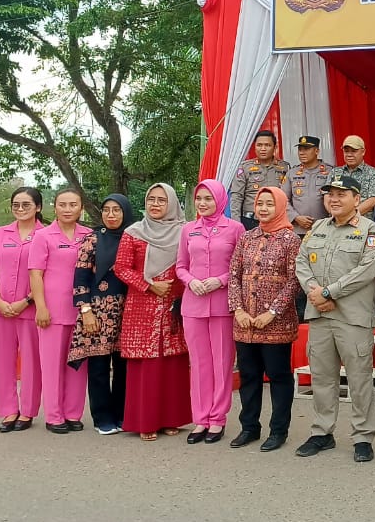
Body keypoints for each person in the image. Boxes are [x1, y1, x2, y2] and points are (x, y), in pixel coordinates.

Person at [294, 172, 375, 462]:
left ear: (357, 199)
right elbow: (301, 262)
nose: (333, 199)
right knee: (322, 377)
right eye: (330, 194)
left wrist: (329, 293)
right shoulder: (318, 227)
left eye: (341, 194)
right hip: (320, 314)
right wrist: (314, 293)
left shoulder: (371, 231)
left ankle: (362, 436)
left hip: (353, 317)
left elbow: (367, 270)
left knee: (359, 379)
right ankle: (322, 432)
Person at [113, 183, 193, 441]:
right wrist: (149, 285)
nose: (156, 204)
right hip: (142, 304)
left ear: (171, 203)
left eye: (161, 200)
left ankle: (171, 419)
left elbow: (189, 263)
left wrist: (176, 290)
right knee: (146, 364)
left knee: (172, 363)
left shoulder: (184, 231)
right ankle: (145, 421)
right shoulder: (133, 232)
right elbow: (121, 268)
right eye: (151, 199)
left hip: (174, 302)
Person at [229, 186, 302, 452]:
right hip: (245, 322)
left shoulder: (290, 240)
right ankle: (249, 427)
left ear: (280, 207)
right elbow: (234, 274)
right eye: (260, 203)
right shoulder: (246, 238)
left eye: (270, 204)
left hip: (276, 324)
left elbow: (295, 281)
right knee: (249, 375)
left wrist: (271, 312)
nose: (263, 209)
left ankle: (278, 430)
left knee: (278, 375)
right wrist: (238, 309)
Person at [177, 179, 246, 444]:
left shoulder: (235, 229)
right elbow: (180, 265)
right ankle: (200, 419)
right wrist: (190, 280)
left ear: (220, 200)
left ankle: (217, 419)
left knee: (221, 364)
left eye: (209, 199)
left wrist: (220, 280)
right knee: (199, 365)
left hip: (221, 306)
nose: (203, 204)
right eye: (199, 199)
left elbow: (240, 267)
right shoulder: (187, 230)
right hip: (193, 305)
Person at [68, 194, 135, 435]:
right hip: (97, 312)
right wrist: (85, 310)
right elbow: (81, 277)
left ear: (126, 212)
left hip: (128, 311)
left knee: (123, 366)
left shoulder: (134, 237)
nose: (111, 215)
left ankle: (121, 414)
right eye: (106, 210)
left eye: (117, 210)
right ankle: (102, 417)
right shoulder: (93, 239)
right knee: (98, 366)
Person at [29, 188, 93, 434]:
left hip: (82, 309)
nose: (68, 209)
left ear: (81, 208)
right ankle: (54, 415)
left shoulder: (89, 236)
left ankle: (73, 413)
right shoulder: (43, 236)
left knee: (77, 364)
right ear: (54, 208)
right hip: (52, 310)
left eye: (73, 205)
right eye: (62, 205)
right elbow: (35, 273)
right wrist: (41, 306)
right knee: (51, 364)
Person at [0, 187, 45, 432]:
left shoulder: (45, 235)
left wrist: (26, 301)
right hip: (0, 309)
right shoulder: (0, 234)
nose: (20, 209)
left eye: (26, 205)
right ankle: (8, 411)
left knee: (31, 363)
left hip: (30, 309)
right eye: (16, 205)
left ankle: (28, 411)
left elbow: (46, 275)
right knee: (0, 362)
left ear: (38, 207)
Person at [286, 134, 334, 320]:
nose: (302, 152)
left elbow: (333, 197)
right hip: (298, 231)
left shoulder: (329, 172)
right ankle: (300, 309)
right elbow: (284, 200)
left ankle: (321, 303)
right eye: (300, 149)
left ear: (317, 151)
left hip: (322, 230)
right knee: (299, 269)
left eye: (306, 149)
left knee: (321, 268)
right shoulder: (292, 173)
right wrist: (296, 218)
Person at [229, 130, 289, 230]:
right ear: (255, 147)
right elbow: (236, 196)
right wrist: (236, 224)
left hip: (277, 221)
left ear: (275, 147)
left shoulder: (284, 167)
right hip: (250, 221)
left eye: (267, 145)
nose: (263, 149)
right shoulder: (245, 167)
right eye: (259, 145)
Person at [332, 135, 375, 220]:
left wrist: (350, 216)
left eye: (354, 151)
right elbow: (327, 197)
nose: (349, 155)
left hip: (362, 223)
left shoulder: (373, 172)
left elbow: (373, 200)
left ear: (363, 152)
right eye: (346, 151)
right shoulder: (335, 172)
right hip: (336, 222)